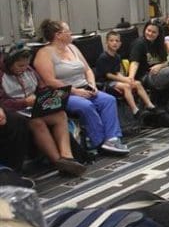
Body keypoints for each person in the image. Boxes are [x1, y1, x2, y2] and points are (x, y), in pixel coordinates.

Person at [33, 20, 127, 154]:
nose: (71, 33)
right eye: (68, 31)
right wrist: (76, 91)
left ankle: (112, 139)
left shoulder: (73, 48)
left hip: (84, 87)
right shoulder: (44, 53)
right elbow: (50, 81)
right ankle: (99, 142)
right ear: (58, 34)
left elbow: (88, 70)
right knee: (86, 105)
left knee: (108, 100)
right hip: (63, 93)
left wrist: (92, 85)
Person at [0, 45, 85, 176]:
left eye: (25, 65)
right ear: (10, 63)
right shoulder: (2, 75)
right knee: (36, 121)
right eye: (19, 66)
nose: (23, 69)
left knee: (60, 114)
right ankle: (58, 161)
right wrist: (23, 102)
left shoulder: (29, 70)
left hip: (33, 107)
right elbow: (3, 102)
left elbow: (42, 88)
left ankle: (67, 157)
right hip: (16, 111)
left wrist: (45, 98)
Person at [95, 31, 156, 117]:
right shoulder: (103, 57)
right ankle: (134, 109)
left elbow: (116, 72)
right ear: (106, 43)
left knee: (137, 83)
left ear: (120, 43)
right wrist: (125, 80)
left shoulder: (117, 56)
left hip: (115, 81)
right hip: (105, 83)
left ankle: (150, 105)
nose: (114, 43)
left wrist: (128, 79)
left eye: (117, 41)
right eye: (111, 41)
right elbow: (108, 75)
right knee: (126, 86)